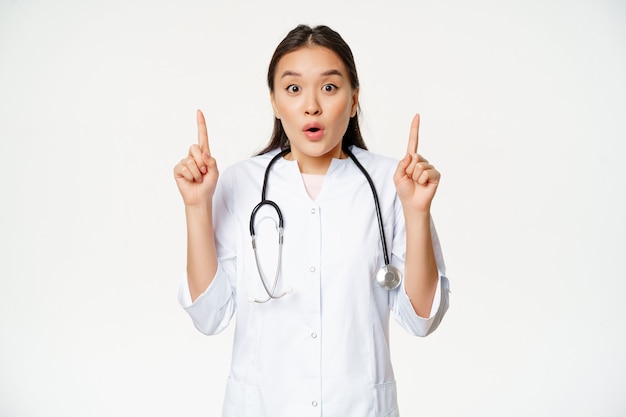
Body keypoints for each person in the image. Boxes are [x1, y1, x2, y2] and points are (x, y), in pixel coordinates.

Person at [173, 24, 450, 417]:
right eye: (293, 88)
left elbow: (421, 319)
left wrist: (417, 212)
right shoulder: (240, 183)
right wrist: (197, 207)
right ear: (274, 101)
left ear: (354, 100)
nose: (311, 106)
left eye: (330, 88)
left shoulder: (394, 185)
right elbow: (209, 315)